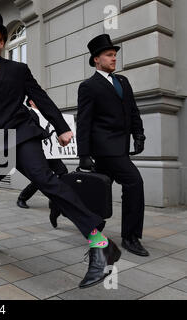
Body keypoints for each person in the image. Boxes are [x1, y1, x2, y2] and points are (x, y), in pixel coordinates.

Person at [0, 11, 121, 289]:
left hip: (22, 136)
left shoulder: (17, 71)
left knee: (46, 181)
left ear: (1, 43)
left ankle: (100, 243)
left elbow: (41, 98)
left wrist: (61, 127)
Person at [77, 34, 149, 257]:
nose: (114, 58)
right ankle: (130, 237)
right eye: (109, 55)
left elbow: (133, 110)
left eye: (115, 55)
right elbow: (84, 122)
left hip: (121, 146)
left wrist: (139, 135)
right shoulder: (88, 86)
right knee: (134, 183)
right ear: (96, 59)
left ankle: (84, 222)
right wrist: (84, 154)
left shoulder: (123, 82)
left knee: (98, 189)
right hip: (105, 148)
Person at [16, 100, 67, 228]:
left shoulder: (46, 113)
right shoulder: (29, 114)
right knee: (40, 177)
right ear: (31, 102)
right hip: (39, 151)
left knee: (62, 172)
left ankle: (54, 200)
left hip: (52, 151)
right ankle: (22, 198)